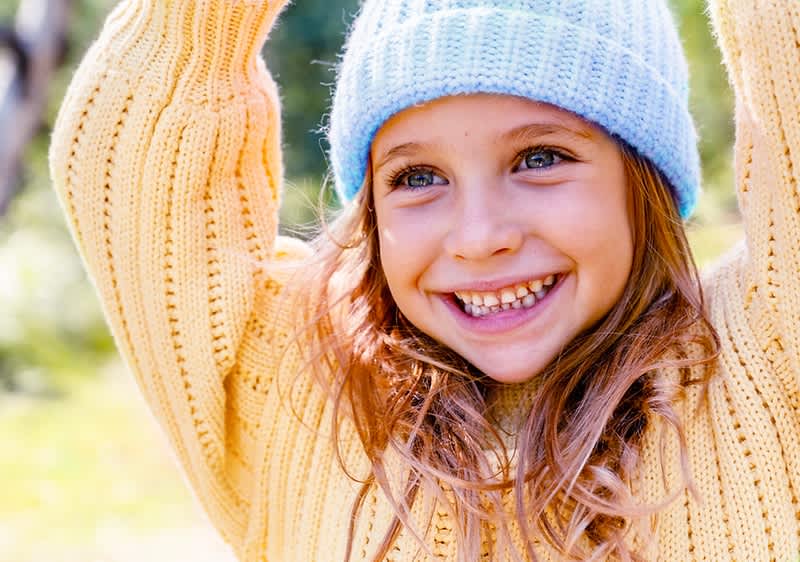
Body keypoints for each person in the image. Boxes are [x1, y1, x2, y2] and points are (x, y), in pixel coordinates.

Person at [49, 0, 800, 559]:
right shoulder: (293, 383)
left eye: (540, 158)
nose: (479, 239)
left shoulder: (763, 360)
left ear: (646, 183)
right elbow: (129, 158)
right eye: (418, 176)